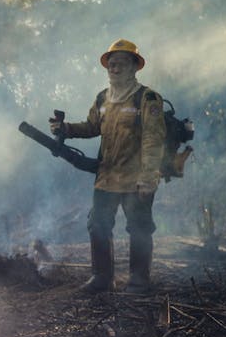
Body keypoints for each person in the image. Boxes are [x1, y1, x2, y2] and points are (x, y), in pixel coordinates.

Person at [50, 39, 166, 294]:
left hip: (136, 178)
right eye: (111, 64)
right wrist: (66, 129)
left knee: (139, 227)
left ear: (135, 67)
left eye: (121, 64)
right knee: (98, 225)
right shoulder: (103, 98)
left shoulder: (146, 98)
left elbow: (153, 140)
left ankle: (139, 281)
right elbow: (92, 127)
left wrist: (149, 177)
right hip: (106, 177)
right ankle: (102, 278)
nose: (115, 69)